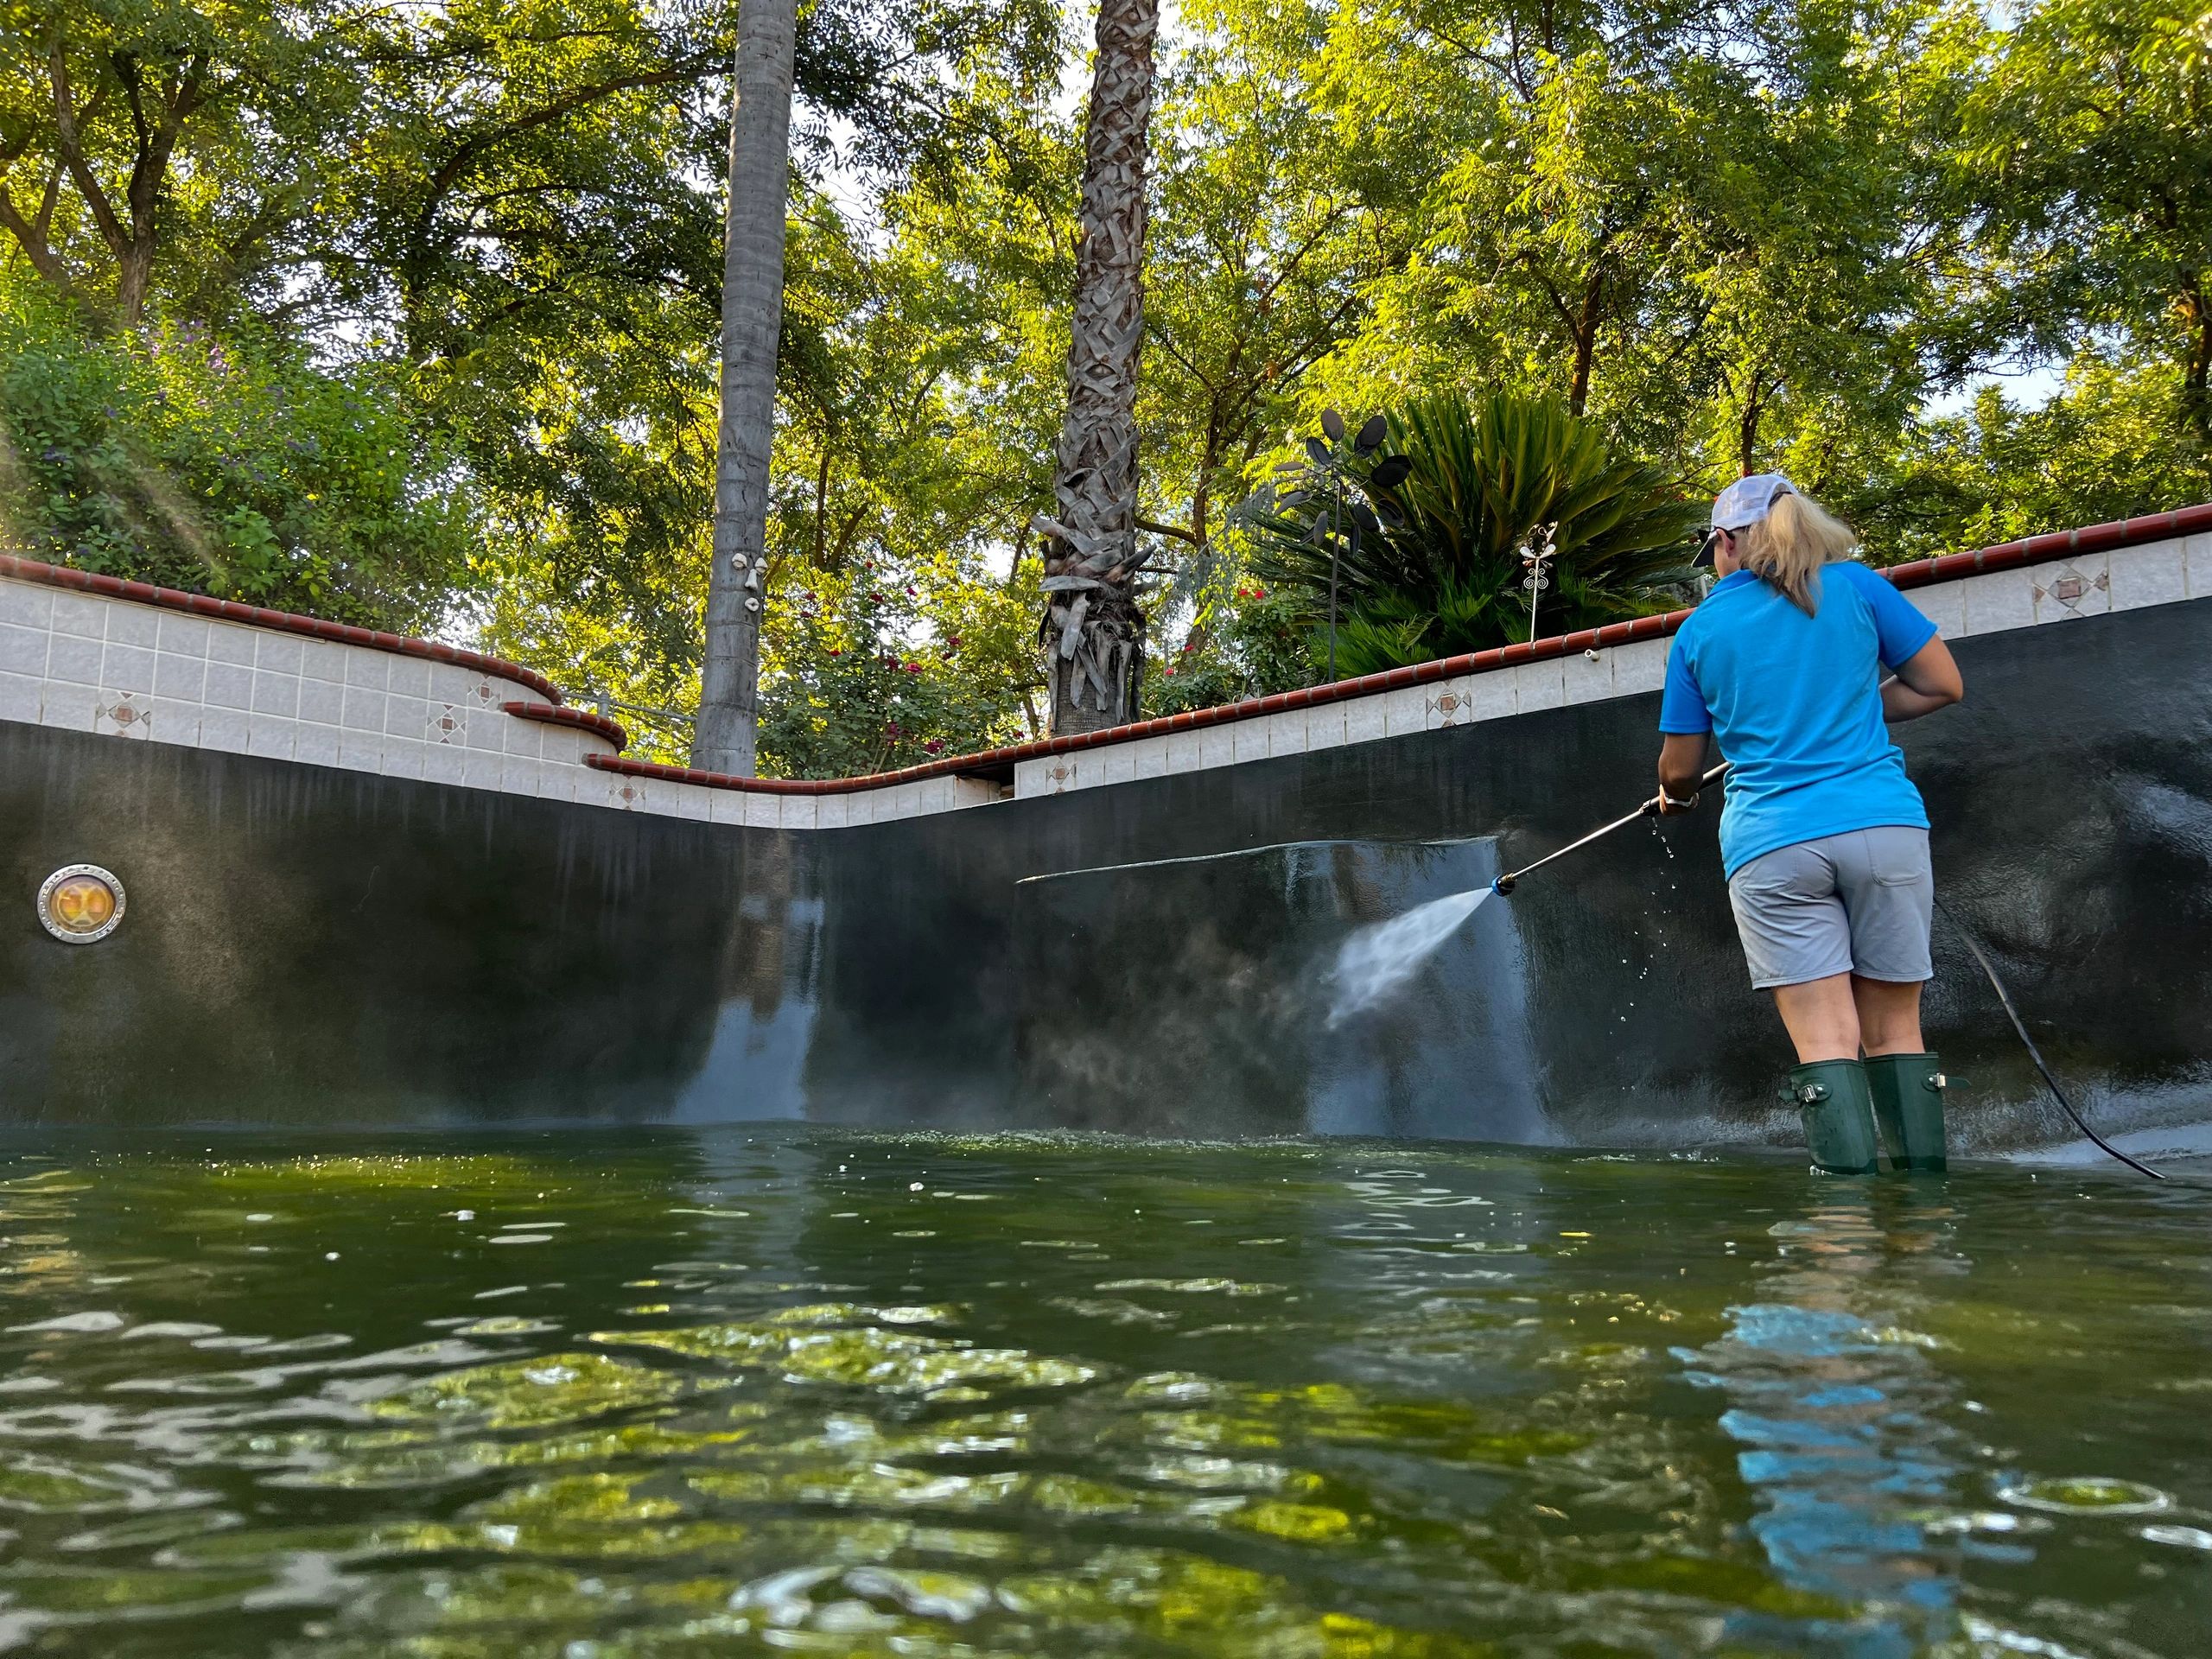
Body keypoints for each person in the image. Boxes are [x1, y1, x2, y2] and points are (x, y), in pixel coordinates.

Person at [1655, 474, 1964, 1173]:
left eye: (1715, 551)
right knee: (1896, 1031)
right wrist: (1849, 707)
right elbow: (1942, 684)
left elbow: (1679, 771)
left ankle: (1844, 1238)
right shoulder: (1858, 588)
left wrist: (1676, 796)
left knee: (1826, 1039)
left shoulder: (1699, 630)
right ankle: (1919, 1216)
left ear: (1727, 542)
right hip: (1882, 827)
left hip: (1773, 844)